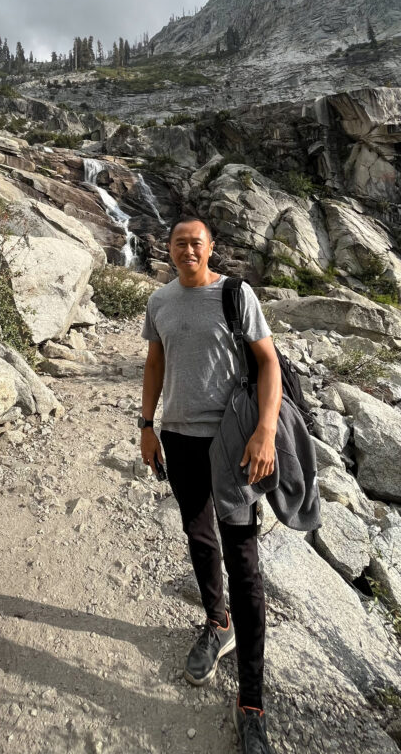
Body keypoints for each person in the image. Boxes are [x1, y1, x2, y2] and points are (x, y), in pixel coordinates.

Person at [139, 216, 282, 754]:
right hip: (178, 437)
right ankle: (216, 623)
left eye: (196, 242)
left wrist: (265, 431)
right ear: (170, 250)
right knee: (199, 537)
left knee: (243, 559)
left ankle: (252, 699)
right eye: (180, 243)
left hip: (232, 442)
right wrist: (147, 424)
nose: (188, 249)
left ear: (210, 247)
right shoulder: (159, 301)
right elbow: (155, 360)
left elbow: (268, 363)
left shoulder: (235, 294)